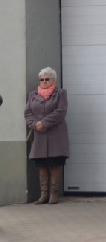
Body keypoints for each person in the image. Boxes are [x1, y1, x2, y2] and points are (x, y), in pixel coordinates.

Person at [24, 67, 70, 205]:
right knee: (42, 164)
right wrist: (35, 124)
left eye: (47, 79)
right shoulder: (33, 95)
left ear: (53, 80)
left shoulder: (60, 93)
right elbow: (27, 113)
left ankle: (54, 194)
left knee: (55, 163)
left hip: (56, 134)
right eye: (42, 79)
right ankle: (43, 195)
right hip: (40, 135)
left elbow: (61, 111)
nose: (44, 81)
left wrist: (44, 123)